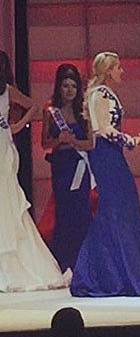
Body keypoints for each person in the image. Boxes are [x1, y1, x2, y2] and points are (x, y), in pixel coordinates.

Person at [70, 51, 140, 297]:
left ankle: (121, 275)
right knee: (115, 210)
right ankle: (101, 276)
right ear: (108, 71)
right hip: (106, 155)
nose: (122, 71)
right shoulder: (100, 94)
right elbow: (102, 129)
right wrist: (130, 140)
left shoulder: (104, 93)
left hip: (111, 154)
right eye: (118, 67)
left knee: (120, 210)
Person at [0, 50, 67, 293]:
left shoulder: (7, 90)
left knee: (6, 200)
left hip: (2, 146)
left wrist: (16, 125)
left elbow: (34, 106)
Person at [41, 64, 93, 272]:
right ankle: (63, 261)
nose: (70, 90)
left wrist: (74, 141)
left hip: (80, 166)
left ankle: (84, 261)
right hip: (61, 167)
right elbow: (44, 143)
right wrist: (59, 140)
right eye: (65, 85)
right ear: (59, 87)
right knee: (63, 213)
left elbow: (90, 143)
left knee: (81, 212)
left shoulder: (83, 110)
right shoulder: (50, 110)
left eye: (73, 86)